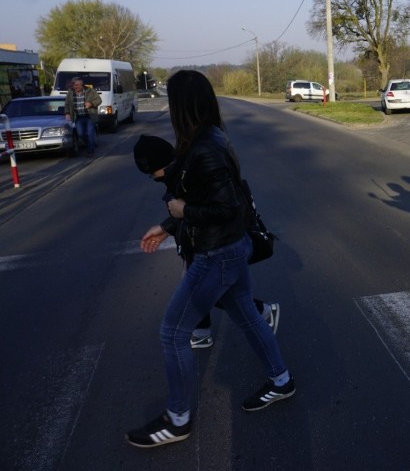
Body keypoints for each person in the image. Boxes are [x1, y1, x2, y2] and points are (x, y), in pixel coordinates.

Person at [127, 70, 295, 449]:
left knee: (173, 332)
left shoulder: (204, 146)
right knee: (248, 317)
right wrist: (168, 224)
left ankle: (178, 419)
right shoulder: (206, 139)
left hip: (217, 252)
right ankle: (282, 381)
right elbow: (206, 198)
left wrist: (183, 212)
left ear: (182, 105)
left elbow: (226, 207)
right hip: (227, 248)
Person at [133, 134, 280, 349]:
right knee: (216, 289)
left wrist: (181, 212)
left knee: (200, 296)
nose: (156, 179)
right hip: (203, 245)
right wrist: (167, 227)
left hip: (218, 244)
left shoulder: (194, 169)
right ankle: (207, 329)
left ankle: (261, 316)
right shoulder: (183, 168)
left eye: (154, 174)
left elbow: (218, 209)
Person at [64, 77, 101, 157]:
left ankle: (90, 151)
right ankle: (91, 144)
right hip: (78, 117)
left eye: (77, 85)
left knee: (90, 133)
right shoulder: (70, 92)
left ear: (81, 85)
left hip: (90, 116)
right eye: (74, 85)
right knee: (81, 134)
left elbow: (99, 100)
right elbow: (67, 104)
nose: (75, 86)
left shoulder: (90, 91)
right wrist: (67, 113)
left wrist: (91, 104)